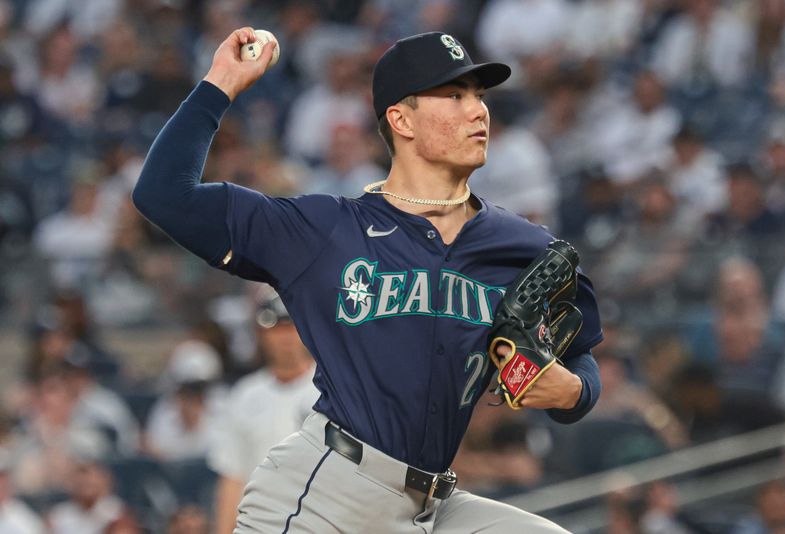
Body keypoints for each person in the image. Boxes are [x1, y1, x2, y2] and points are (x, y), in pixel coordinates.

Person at [133, 28, 603, 533]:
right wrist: (220, 83)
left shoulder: (522, 246)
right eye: (453, 95)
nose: (478, 110)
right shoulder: (323, 230)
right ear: (400, 119)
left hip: (432, 504)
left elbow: (581, 350)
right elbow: (163, 195)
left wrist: (573, 391)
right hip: (325, 496)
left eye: (479, 96)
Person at [207, 288, 318, 534]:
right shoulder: (244, 395)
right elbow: (232, 478)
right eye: (275, 328)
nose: (284, 337)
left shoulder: (331, 390)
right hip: (258, 524)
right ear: (260, 334)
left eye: (291, 326)